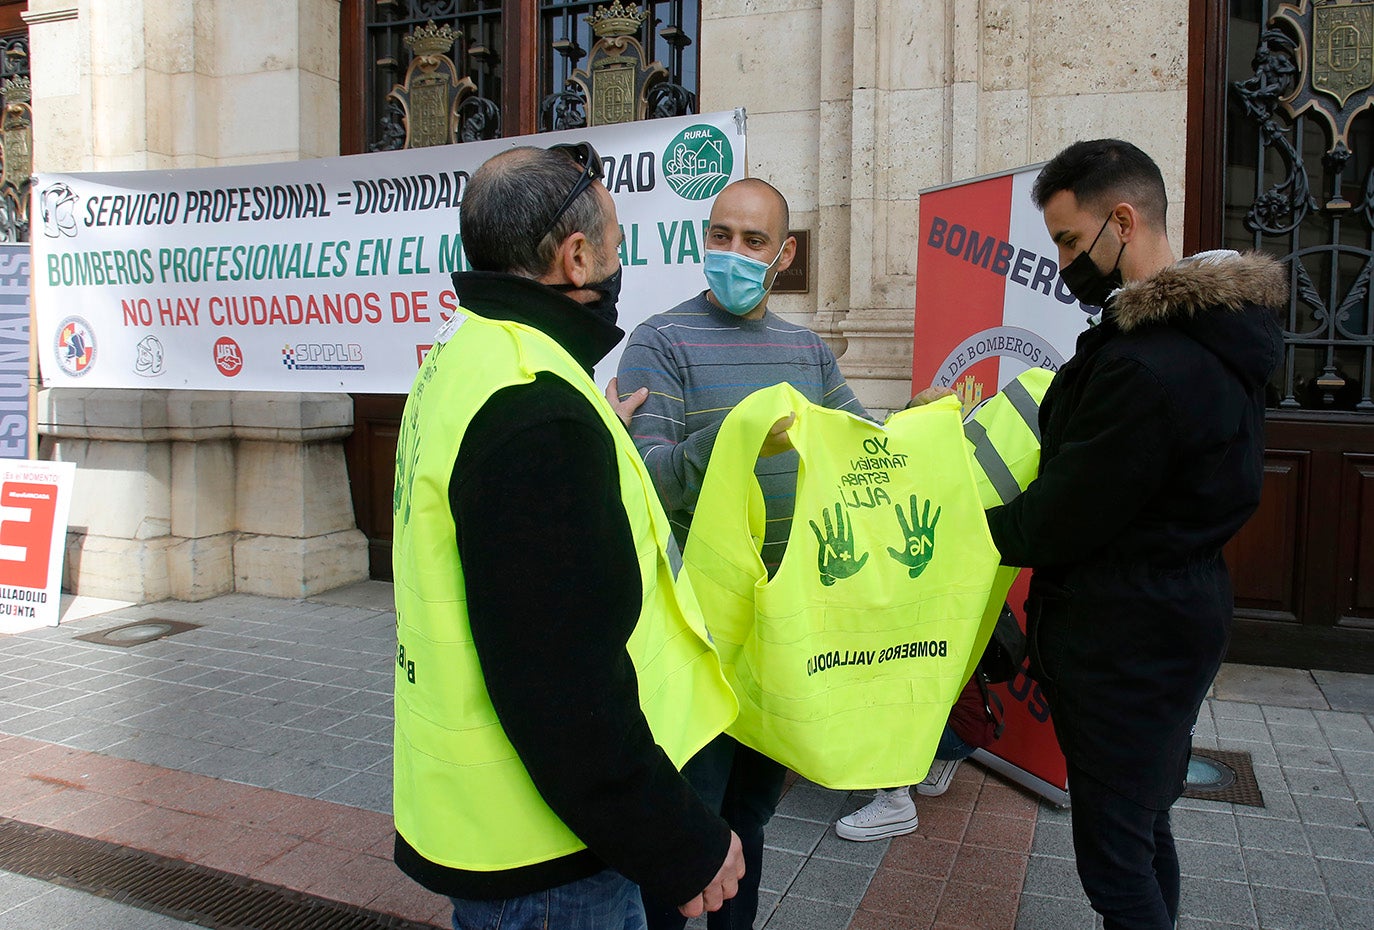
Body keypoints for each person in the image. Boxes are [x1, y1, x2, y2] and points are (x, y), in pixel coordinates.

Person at [390, 144, 746, 930]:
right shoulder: (534, 408)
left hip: (496, 830)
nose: (620, 265)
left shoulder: (471, 355)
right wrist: (678, 839)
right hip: (548, 859)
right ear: (576, 257)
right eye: (616, 246)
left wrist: (588, 438)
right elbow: (563, 685)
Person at [984, 139, 1284, 930]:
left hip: (1124, 639)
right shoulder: (1214, 335)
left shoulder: (1148, 366)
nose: (1062, 262)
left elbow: (1063, 516)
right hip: (1177, 616)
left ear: (1124, 218)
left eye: (1070, 241)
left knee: (1115, 860)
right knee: (1147, 825)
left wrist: (955, 525)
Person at [617, 177, 865, 930]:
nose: (733, 253)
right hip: (700, 640)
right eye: (720, 236)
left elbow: (861, 455)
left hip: (781, 637)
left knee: (750, 823)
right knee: (686, 831)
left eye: (753, 242)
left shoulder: (808, 352)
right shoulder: (659, 342)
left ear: (783, 255)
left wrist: (929, 430)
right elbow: (648, 480)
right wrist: (735, 439)